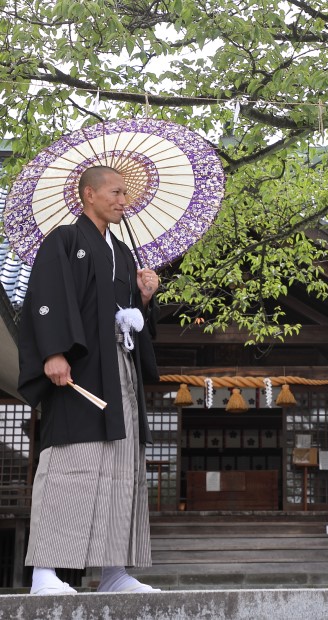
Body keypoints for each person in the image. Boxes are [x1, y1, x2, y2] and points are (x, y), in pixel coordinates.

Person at [18, 165, 161, 594]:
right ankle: (46, 572)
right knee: (68, 466)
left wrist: (143, 299)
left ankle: (114, 572)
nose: (123, 200)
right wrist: (53, 352)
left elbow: (124, 318)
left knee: (121, 466)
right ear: (89, 195)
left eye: (125, 194)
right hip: (79, 372)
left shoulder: (124, 253)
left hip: (119, 372)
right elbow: (45, 298)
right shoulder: (64, 241)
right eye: (115, 192)